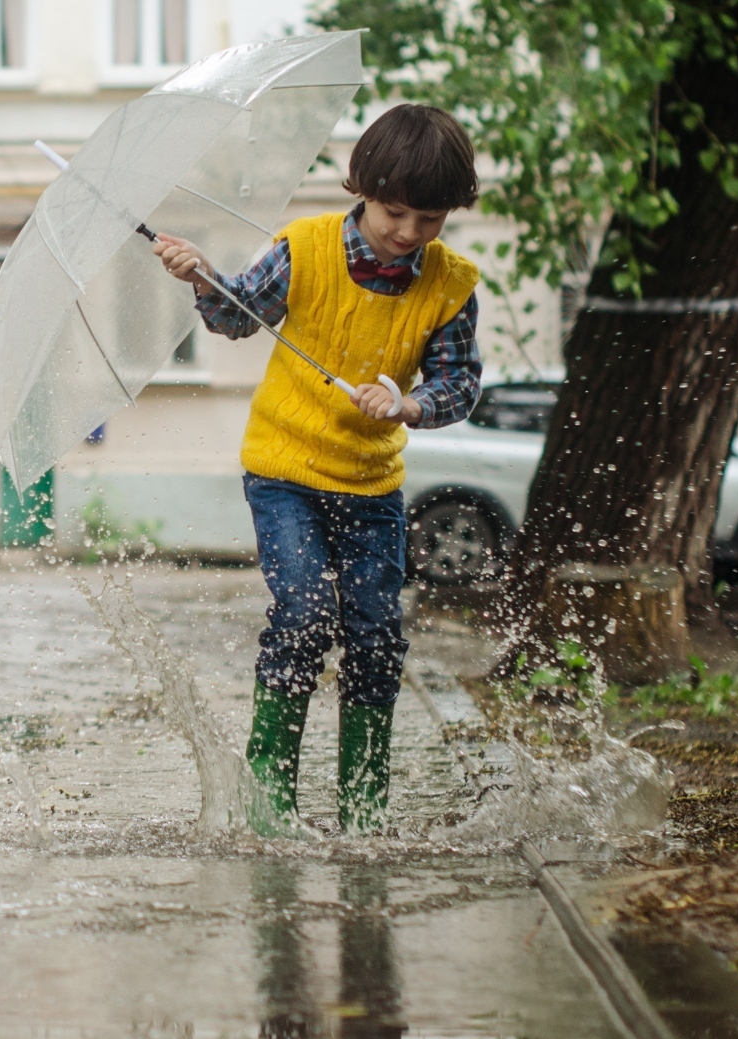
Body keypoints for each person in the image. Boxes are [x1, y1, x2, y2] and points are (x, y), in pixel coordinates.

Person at [151, 104, 483, 836]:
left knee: (374, 637)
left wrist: (411, 404)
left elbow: (459, 385)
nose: (408, 233)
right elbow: (237, 317)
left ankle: (364, 813)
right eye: (395, 212)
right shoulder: (304, 250)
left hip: (372, 485)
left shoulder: (451, 285)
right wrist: (203, 276)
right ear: (361, 188)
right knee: (303, 619)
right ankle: (270, 809)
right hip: (285, 472)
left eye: (429, 219)